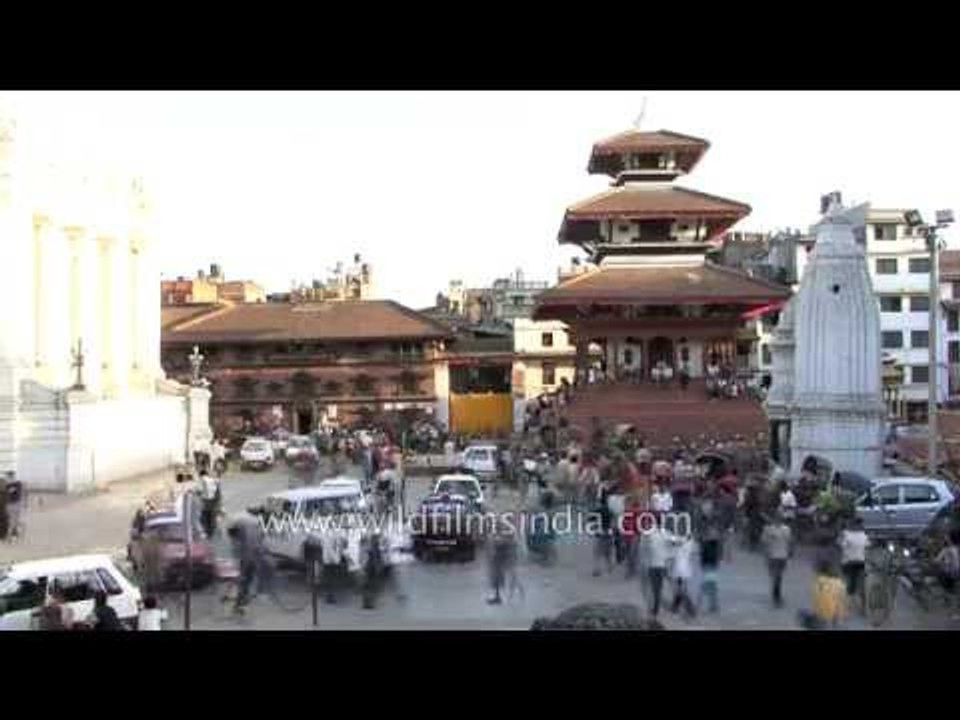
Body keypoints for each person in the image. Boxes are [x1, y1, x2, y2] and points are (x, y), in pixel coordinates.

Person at [799, 558, 846, 629]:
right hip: (832, 615)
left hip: (818, 615)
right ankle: (834, 623)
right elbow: (840, 603)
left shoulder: (815, 582)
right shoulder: (839, 583)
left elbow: (815, 600)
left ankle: (821, 622)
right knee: (837, 603)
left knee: (802, 612)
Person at [761, 512, 792, 608]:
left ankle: (776, 596)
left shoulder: (784, 529)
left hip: (780, 556)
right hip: (774, 556)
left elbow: (789, 542)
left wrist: (789, 553)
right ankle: (776, 596)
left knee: (777, 577)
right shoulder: (769, 529)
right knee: (776, 577)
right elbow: (764, 543)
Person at [839, 517, 869, 607]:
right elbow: (868, 546)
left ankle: (848, 602)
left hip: (848, 562)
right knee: (860, 582)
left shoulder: (846, 534)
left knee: (850, 582)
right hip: (861, 562)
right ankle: (862, 602)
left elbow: (841, 545)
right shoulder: (864, 535)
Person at [642, 524, 670, 618]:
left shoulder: (649, 535)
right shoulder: (665, 533)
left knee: (654, 588)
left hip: (653, 565)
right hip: (662, 565)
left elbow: (645, 549)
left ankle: (655, 608)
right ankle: (657, 606)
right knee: (659, 588)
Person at [669, 531, 697, 619]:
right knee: (681, 591)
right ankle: (681, 609)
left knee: (681, 591)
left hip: (682, 571)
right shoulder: (687, 544)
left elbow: (676, 543)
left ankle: (684, 609)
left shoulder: (686, 544)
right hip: (681, 571)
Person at [698, 532, 721, 614]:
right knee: (711, 587)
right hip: (711, 567)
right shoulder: (714, 545)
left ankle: (702, 604)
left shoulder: (707, 545)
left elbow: (703, 557)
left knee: (707, 587)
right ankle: (712, 606)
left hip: (708, 567)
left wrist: (702, 565)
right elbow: (717, 557)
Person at [198, 469, 221, 538]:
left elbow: (199, 491)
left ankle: (208, 532)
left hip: (206, 501)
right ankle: (211, 531)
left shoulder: (203, 480)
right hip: (212, 501)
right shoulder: (214, 480)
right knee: (211, 516)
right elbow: (217, 492)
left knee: (205, 516)